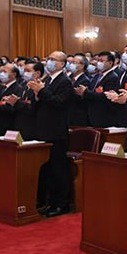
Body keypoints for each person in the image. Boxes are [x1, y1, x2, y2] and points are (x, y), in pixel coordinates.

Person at [31, 51, 74, 217]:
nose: (48, 62)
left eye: (53, 59)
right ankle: (50, 202)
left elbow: (59, 103)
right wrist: (36, 95)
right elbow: (39, 105)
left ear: (61, 64)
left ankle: (61, 204)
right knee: (47, 169)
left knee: (58, 169)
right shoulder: (46, 80)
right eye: (48, 59)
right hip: (42, 130)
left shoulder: (65, 82)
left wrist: (41, 91)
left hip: (56, 132)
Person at [77, 51, 120, 128]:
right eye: (98, 60)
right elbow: (92, 90)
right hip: (92, 115)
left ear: (110, 63)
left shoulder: (113, 77)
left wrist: (85, 92)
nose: (99, 63)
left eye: (102, 61)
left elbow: (106, 96)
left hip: (104, 116)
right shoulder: (97, 76)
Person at [5, 60, 43, 141]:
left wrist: (17, 103)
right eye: (24, 70)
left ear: (38, 73)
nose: (25, 73)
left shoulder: (40, 88)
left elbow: (35, 109)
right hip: (19, 127)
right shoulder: (23, 87)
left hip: (32, 129)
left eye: (28, 71)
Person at [0, 62, 23, 135]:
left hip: (8, 126)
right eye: (0, 71)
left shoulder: (18, 89)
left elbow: (13, 109)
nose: (1, 74)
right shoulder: (0, 88)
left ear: (14, 74)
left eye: (4, 72)